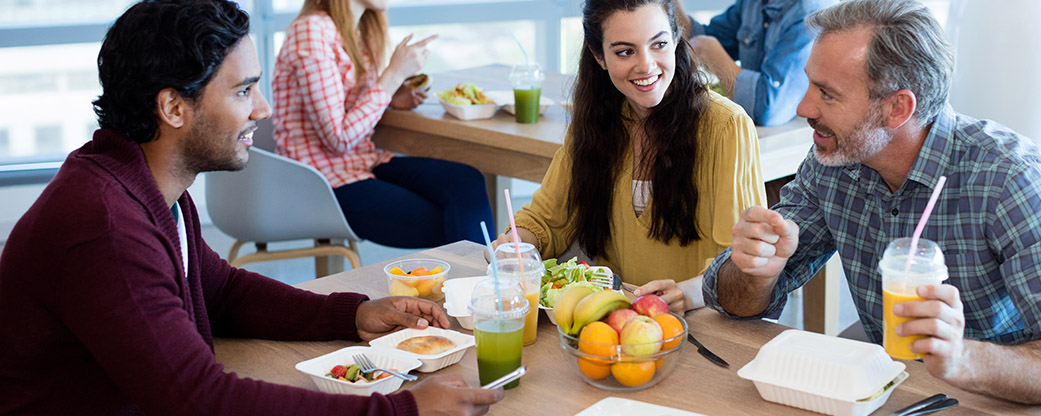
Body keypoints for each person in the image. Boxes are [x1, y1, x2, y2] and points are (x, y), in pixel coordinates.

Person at [0, 1, 501, 414]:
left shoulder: (146, 188)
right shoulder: (104, 225)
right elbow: (199, 399)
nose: (262, 109)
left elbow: (223, 293)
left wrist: (355, 315)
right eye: (243, 90)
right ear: (173, 108)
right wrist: (401, 410)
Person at [703, 0, 1041, 407]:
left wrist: (964, 358)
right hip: (895, 388)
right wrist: (756, 271)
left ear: (897, 108)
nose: (802, 107)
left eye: (827, 94)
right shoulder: (835, 160)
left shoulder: (1015, 179)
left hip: (1001, 399)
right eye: (810, 82)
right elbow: (735, 305)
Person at [491, 0, 766, 314]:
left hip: (701, 328)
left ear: (676, 40)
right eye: (625, 51)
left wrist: (691, 292)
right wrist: (516, 246)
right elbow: (546, 220)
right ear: (599, 56)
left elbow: (741, 260)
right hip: (612, 323)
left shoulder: (728, 126)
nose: (646, 65)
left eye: (659, 44)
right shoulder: (595, 123)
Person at [273, 0, 494, 248]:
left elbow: (345, 108)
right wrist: (394, 75)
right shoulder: (310, 32)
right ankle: (481, 283)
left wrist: (391, 97)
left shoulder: (357, 31)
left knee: (467, 181)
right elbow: (339, 139)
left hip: (362, 162)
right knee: (456, 221)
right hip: (323, 182)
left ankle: (479, 282)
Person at [672, 0, 834, 126]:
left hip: (798, 147)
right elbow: (696, 39)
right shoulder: (753, 3)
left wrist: (714, 54)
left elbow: (769, 109)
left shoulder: (810, 10)